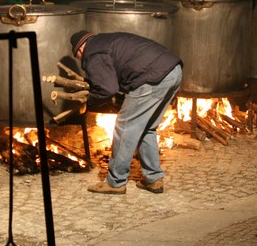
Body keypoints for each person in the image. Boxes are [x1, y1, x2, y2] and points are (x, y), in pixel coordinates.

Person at [70, 30, 183, 194]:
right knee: (147, 127)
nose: (81, 60)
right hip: (173, 70)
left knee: (124, 127)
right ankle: (153, 180)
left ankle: (115, 182)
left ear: (80, 49)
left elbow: (108, 88)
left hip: (153, 78)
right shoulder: (106, 41)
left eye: (78, 57)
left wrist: (90, 101)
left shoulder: (92, 52)